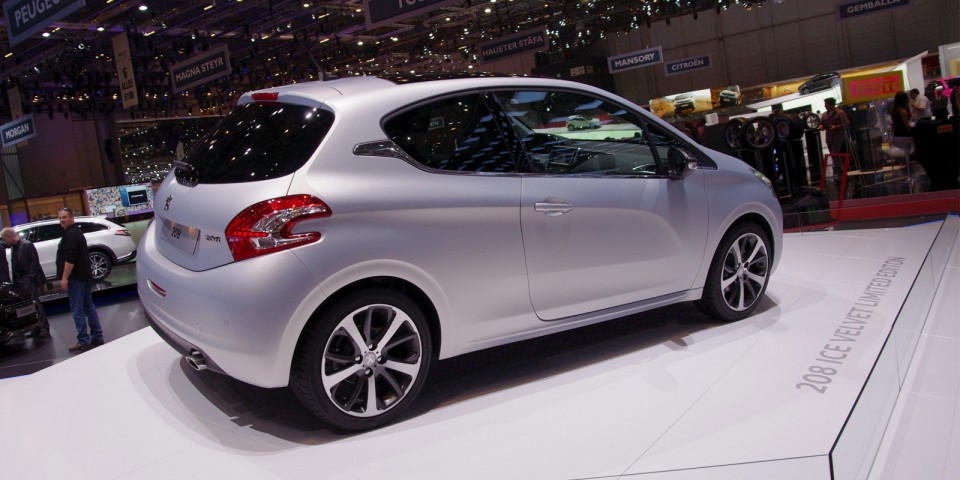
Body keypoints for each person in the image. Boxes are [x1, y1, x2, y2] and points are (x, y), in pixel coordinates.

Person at [56, 207, 104, 352]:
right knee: (88, 307)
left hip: (76, 278)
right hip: (83, 276)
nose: (62, 220)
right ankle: (97, 337)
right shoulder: (75, 232)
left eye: (64, 217)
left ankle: (83, 340)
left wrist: (64, 278)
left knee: (78, 309)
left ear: (72, 218)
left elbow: (70, 259)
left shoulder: (71, 235)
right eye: (60, 218)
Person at [0, 228, 49, 337]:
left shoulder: (27, 245)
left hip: (28, 280)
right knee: (26, 307)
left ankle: (44, 327)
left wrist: (30, 279)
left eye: (4, 239)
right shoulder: (14, 247)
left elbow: (34, 263)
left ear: (9, 236)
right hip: (19, 281)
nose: (4, 242)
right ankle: (34, 328)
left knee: (35, 304)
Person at [820, 97, 851, 182]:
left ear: (831, 105)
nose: (825, 106)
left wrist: (836, 127)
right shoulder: (824, 115)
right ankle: (841, 173)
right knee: (834, 156)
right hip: (829, 138)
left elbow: (847, 123)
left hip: (838, 137)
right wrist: (821, 127)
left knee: (834, 155)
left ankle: (843, 172)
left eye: (826, 104)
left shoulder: (840, 113)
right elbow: (821, 123)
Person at [889, 91, 913, 163]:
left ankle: (908, 161)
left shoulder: (893, 110)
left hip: (896, 135)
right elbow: (906, 124)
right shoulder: (903, 111)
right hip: (904, 134)